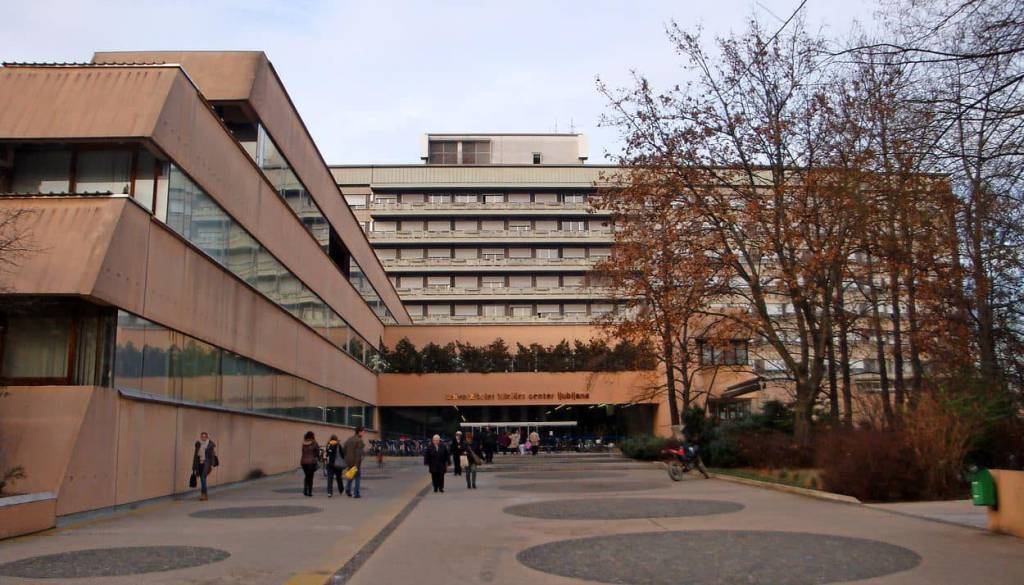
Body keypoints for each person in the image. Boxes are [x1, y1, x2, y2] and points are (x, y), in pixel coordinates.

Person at [192, 431, 217, 501]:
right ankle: (205, 495)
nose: (203, 438)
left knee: (203, 478)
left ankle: (203, 494)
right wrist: (193, 466)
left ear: (207, 437)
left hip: (206, 464)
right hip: (199, 464)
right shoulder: (198, 444)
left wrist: (212, 464)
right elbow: (195, 456)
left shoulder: (209, 445)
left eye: (204, 436)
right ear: (200, 437)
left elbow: (212, 455)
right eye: (202, 436)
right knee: (202, 479)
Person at [343, 426, 366, 498]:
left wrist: (346, 459)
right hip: (356, 461)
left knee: (351, 475)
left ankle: (348, 489)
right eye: (363, 431)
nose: (364, 433)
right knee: (357, 477)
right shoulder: (359, 441)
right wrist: (357, 463)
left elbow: (344, 450)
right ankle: (356, 493)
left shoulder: (349, 439)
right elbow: (359, 453)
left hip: (348, 461)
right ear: (359, 432)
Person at [300, 431, 321, 497]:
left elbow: (303, 451)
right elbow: (317, 452)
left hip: (303, 462)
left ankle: (305, 490)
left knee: (307, 476)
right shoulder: (314, 443)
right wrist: (319, 459)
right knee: (310, 477)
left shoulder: (304, 443)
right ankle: (310, 492)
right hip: (311, 462)